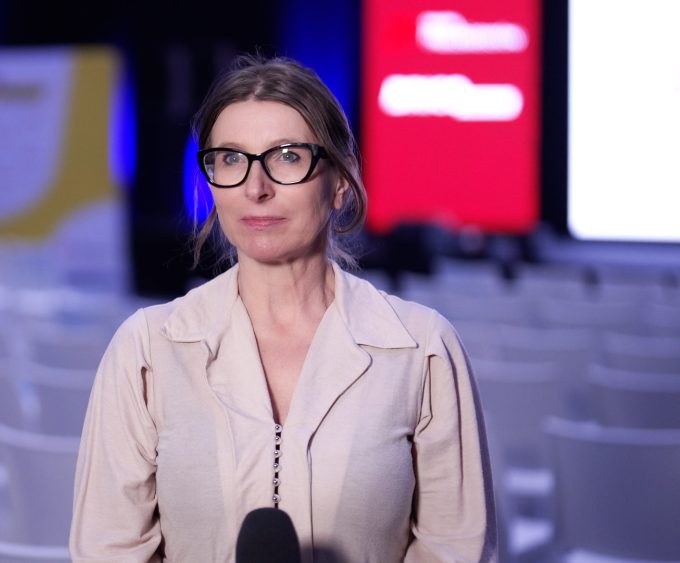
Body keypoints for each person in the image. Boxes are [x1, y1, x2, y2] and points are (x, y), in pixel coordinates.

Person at [70, 54, 496, 562]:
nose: (256, 188)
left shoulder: (420, 349)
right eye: (231, 159)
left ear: (340, 181)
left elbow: (456, 550)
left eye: (288, 156)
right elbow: (109, 550)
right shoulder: (147, 349)